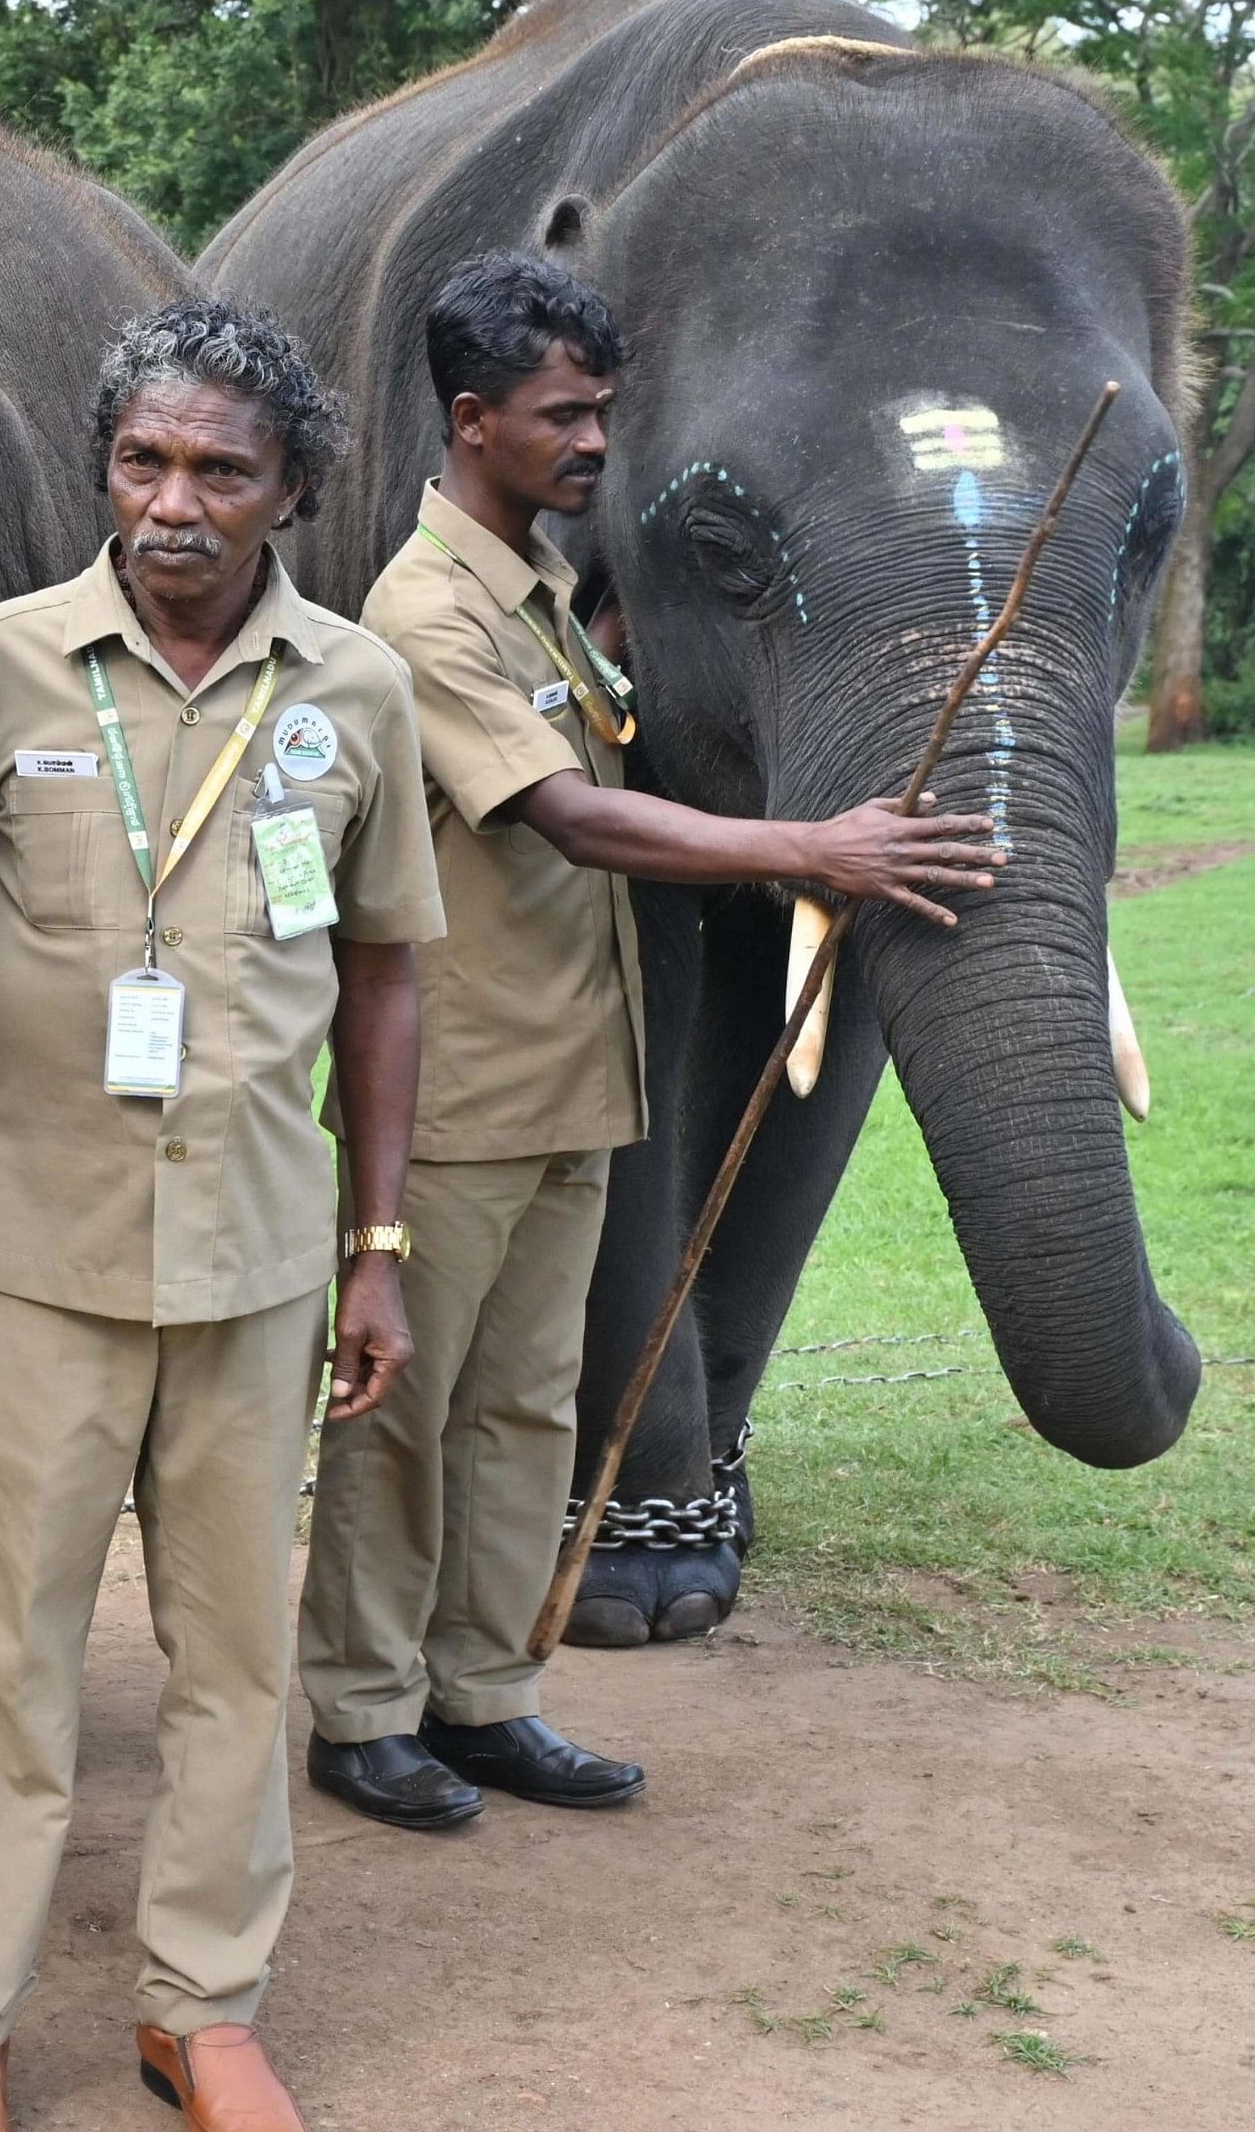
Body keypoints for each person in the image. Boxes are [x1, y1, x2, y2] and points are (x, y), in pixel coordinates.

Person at [0, 301, 443, 2132]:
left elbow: (384, 975)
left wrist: (376, 1248)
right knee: (5, 1653)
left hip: (263, 1264)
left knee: (233, 1654)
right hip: (36, 1263)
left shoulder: (354, 689)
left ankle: (201, 2012)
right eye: (144, 460)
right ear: (101, 467)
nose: (175, 502)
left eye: (220, 468)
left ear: (289, 490)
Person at [298, 251, 1001, 1830]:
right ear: (470, 421)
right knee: (398, 1417)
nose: (595, 441)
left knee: (526, 1413)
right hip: (457, 1092)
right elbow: (566, 816)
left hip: (572, 1081)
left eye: (606, 410)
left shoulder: (546, 597)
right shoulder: (421, 613)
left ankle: (480, 1694)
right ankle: (358, 1712)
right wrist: (810, 848)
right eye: (564, 415)